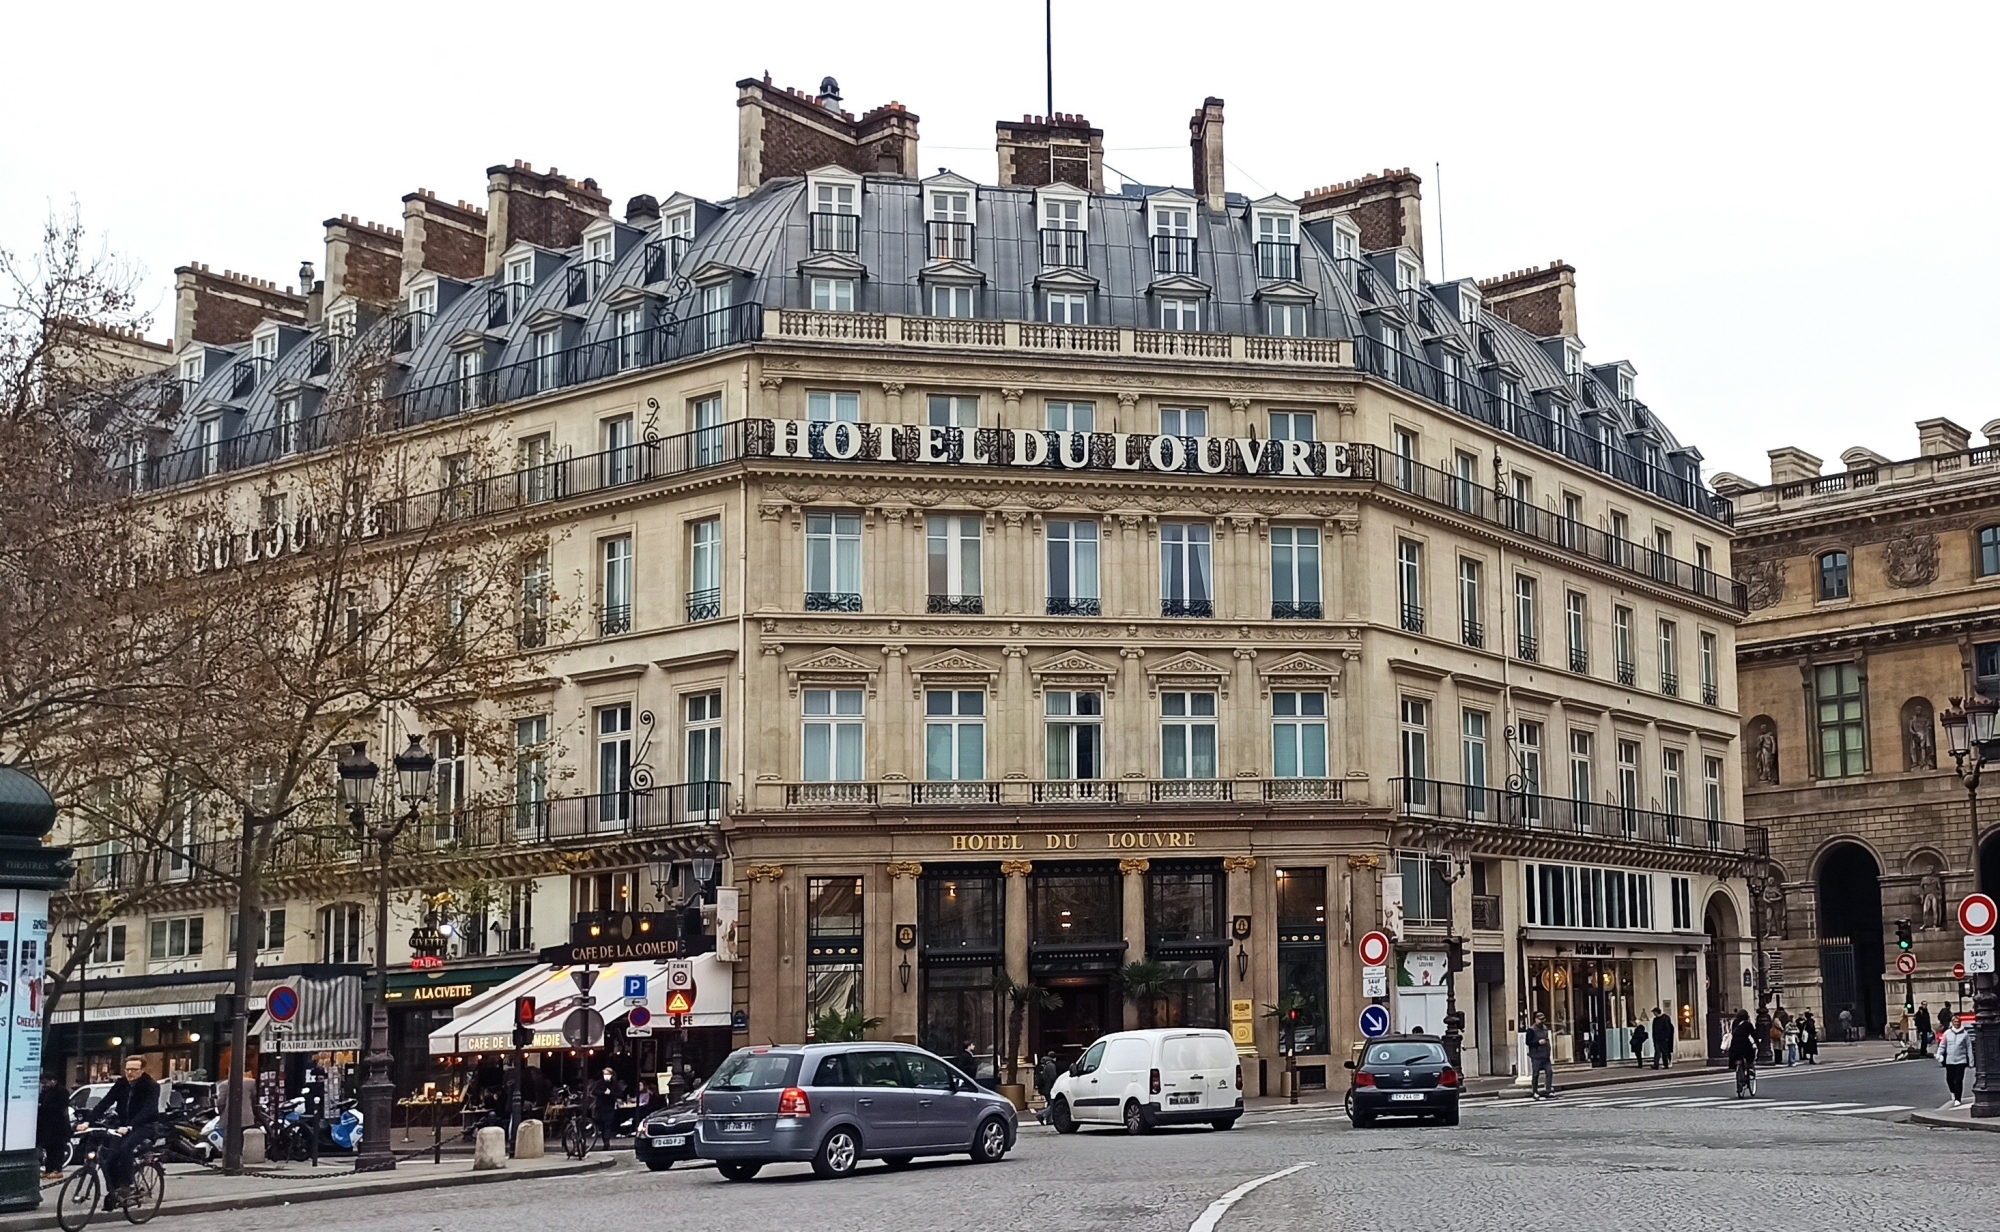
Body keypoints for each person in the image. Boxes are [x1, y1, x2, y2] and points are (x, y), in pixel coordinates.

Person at [90, 1057, 160, 1204]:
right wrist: (87, 1121)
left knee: (126, 1147)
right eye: (127, 1069)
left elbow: (149, 1109)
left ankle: (126, 1185)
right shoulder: (121, 1084)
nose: (129, 1073)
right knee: (110, 1156)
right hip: (122, 1125)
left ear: (142, 1070)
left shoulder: (151, 1086)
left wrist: (131, 1126)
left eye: (134, 1070)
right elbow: (106, 1102)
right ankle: (114, 1190)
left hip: (145, 1125)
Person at [38, 1072, 71, 1181]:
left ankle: (57, 1169)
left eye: (46, 1082)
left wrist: (44, 1107)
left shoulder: (61, 1091)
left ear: (53, 1080)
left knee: (57, 1148)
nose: (45, 1085)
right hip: (48, 1125)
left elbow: (60, 1107)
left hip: (58, 1125)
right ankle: (49, 1169)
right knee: (49, 1148)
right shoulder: (46, 1091)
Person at [1938, 1013, 1972, 1108]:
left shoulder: (1965, 1034)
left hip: (1961, 1060)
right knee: (1949, 1079)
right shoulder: (1947, 1033)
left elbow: (1969, 1048)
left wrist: (1971, 1060)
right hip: (1950, 1060)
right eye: (1955, 1022)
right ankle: (1953, 1091)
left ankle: (1958, 1098)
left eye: (1958, 1022)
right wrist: (1939, 1054)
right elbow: (1942, 1045)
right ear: (1952, 1023)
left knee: (1958, 1080)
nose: (1956, 1023)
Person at [588, 1067, 624, 1146]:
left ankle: (606, 1142)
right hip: (600, 1106)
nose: (606, 1075)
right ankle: (600, 1136)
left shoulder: (614, 1084)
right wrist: (603, 1093)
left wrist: (611, 1093)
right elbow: (594, 1092)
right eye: (605, 1074)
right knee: (600, 1124)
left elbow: (620, 1094)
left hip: (609, 1107)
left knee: (607, 1125)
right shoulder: (599, 1083)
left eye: (607, 1074)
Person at [1525, 1013, 1554, 1100]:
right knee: (1535, 1074)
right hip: (1536, 1055)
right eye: (1540, 1019)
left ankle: (1548, 1090)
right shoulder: (1531, 1030)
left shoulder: (1545, 1028)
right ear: (1536, 1019)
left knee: (1549, 1072)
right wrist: (1538, 1042)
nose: (1542, 1021)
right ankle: (1535, 1091)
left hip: (1545, 1055)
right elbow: (1528, 1042)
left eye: (1543, 1019)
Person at [1727, 1010, 1758, 1091]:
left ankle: (1736, 1068)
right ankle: (1749, 1066)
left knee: (1736, 1056)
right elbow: (1753, 1034)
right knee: (1750, 1054)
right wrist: (1757, 1042)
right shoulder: (1748, 1024)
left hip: (1734, 1043)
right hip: (1744, 1043)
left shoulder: (1735, 1023)